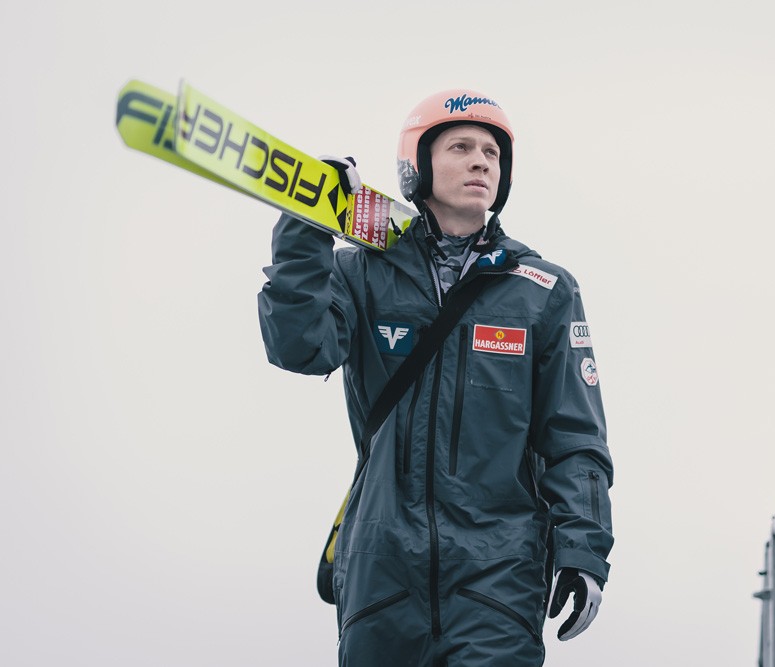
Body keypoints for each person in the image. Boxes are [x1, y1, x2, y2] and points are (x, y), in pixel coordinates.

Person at [257, 89, 614, 666]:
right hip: (381, 571)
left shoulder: (543, 290)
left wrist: (584, 551)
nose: (481, 162)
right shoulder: (361, 273)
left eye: (492, 153)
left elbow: (574, 437)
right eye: (461, 147)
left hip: (497, 576)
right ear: (417, 166)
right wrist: (306, 224)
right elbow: (299, 348)